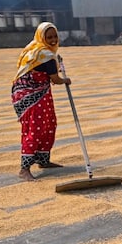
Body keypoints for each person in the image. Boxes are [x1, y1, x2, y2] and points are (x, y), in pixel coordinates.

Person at [11, 22, 71, 181]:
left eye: (55, 36)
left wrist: (56, 62)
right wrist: (66, 80)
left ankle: (43, 160)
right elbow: (55, 79)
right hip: (31, 95)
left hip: (36, 92)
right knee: (36, 128)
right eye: (49, 37)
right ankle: (24, 168)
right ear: (41, 37)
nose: (52, 40)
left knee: (50, 123)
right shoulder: (46, 55)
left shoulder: (34, 49)